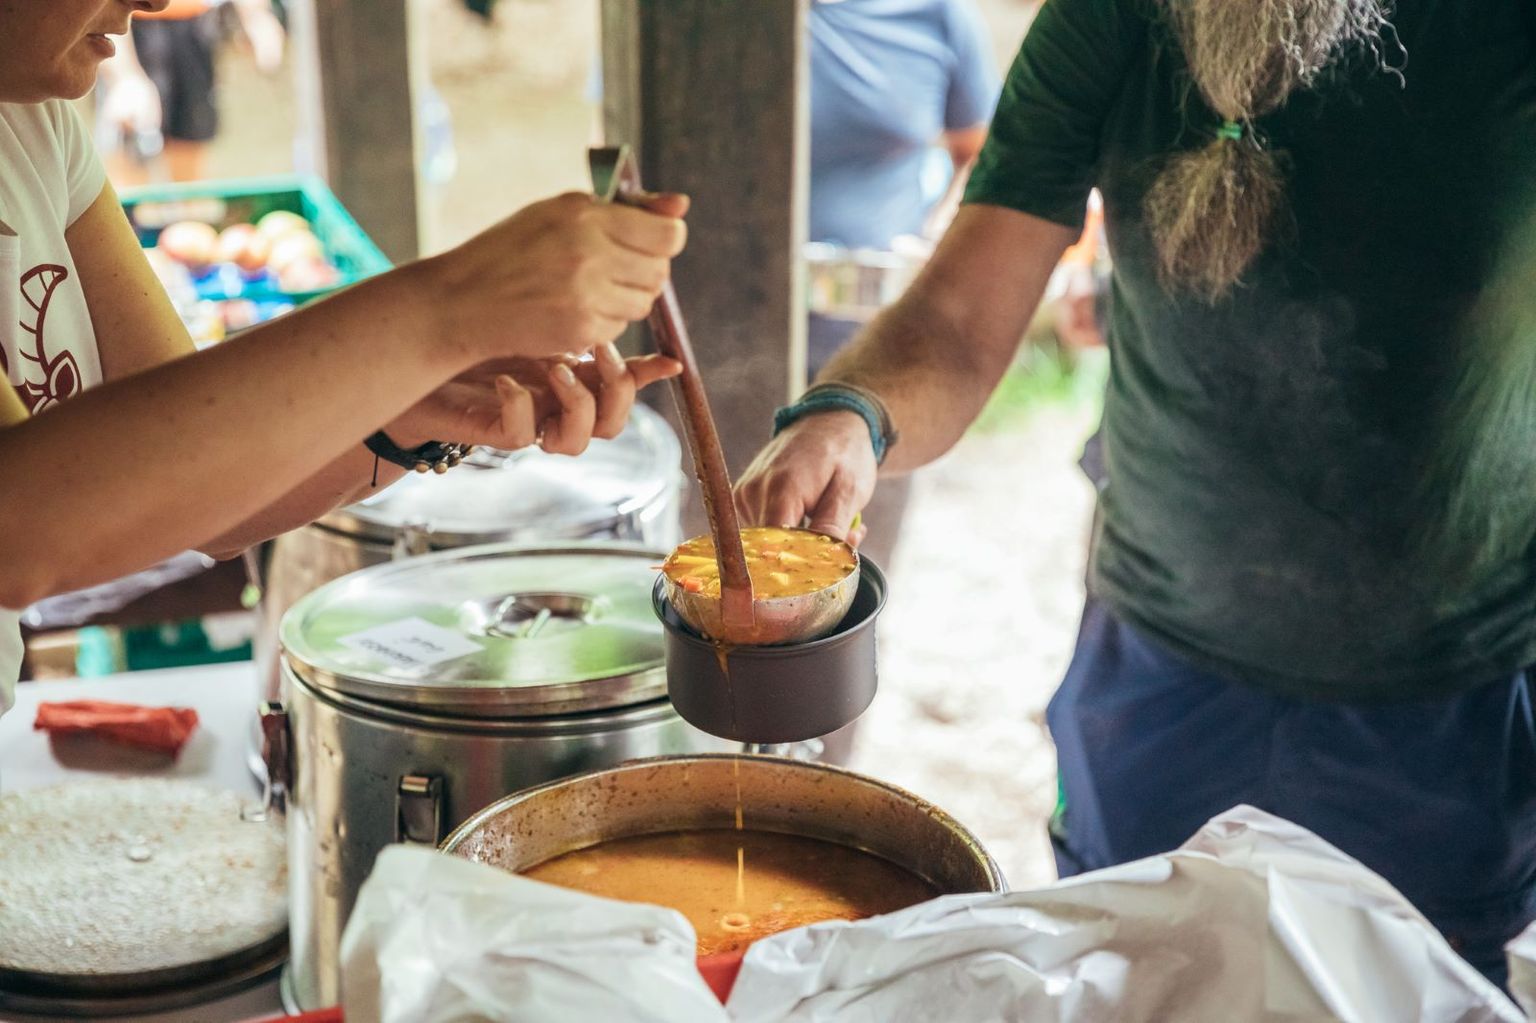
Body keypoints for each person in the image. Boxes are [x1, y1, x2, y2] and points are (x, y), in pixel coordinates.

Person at [737, 0, 1536, 987]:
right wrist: (849, 416)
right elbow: (959, 314)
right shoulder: (1119, 17)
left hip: (1449, 703)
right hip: (1158, 679)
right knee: (1137, 985)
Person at [0, 0, 690, 715]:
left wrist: (413, 404)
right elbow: (17, 531)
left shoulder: (34, 125)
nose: (151, 1)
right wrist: (448, 305)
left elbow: (188, 486)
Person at [804, 0, 998, 572]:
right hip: (719, 331)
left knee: (851, 554)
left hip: (875, 341)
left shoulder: (937, 15)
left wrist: (939, 238)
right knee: (718, 542)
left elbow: (980, 154)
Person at [96, 0, 285, 184]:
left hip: (193, 25)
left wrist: (255, 14)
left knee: (189, 162)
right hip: (133, 28)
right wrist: (123, 75)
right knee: (131, 152)